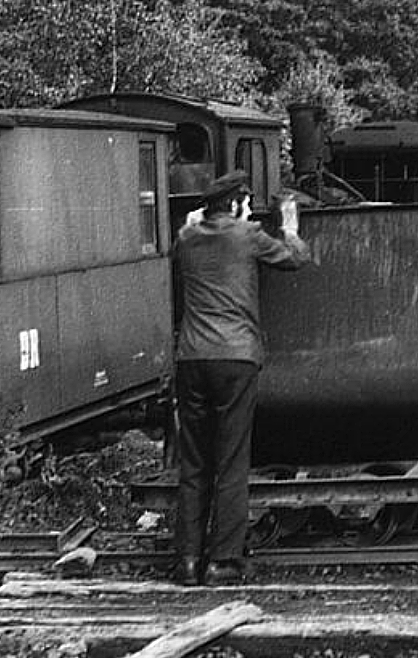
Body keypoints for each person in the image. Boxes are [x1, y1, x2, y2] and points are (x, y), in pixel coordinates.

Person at [171, 171, 311, 586]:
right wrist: (289, 224)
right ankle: (223, 561)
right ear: (236, 204)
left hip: (191, 358)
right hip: (235, 358)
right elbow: (296, 258)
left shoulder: (187, 239)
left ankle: (188, 561)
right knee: (232, 460)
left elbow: (186, 239)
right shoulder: (248, 235)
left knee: (194, 462)